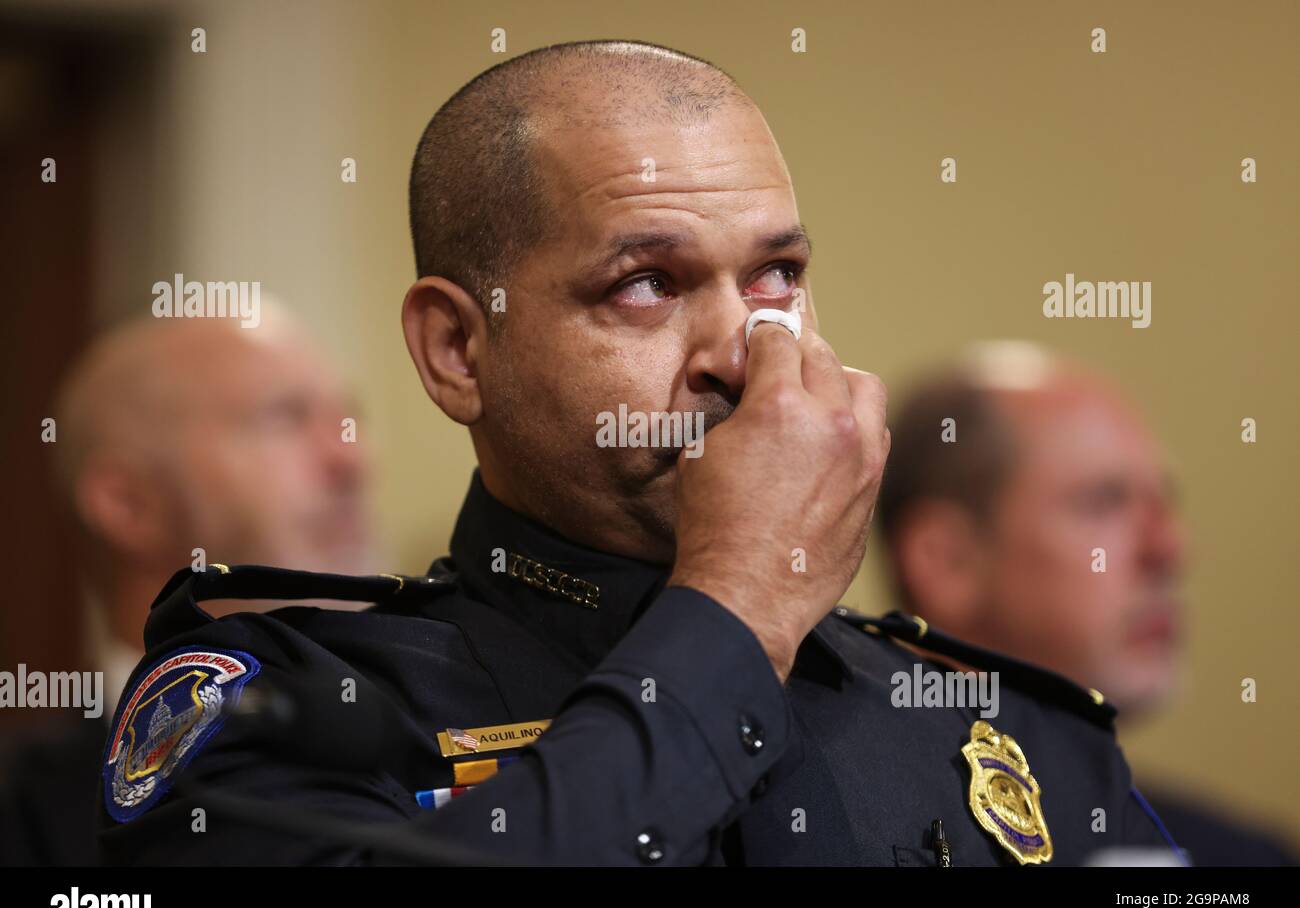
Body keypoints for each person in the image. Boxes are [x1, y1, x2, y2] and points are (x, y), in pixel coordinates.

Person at [100, 40, 1177, 866]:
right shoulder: (283, 709)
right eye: (646, 285)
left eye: (777, 279)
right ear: (457, 349)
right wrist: (742, 605)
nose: (738, 351)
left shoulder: (1006, 727)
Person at [877, 340, 1295, 865]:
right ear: (948, 559)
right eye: (1104, 502)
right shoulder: (825, 828)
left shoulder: (1237, 861)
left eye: (1164, 501)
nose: (1168, 549)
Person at [0, 311, 376, 865]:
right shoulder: (18, 815)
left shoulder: (467, 739)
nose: (351, 459)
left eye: (348, 418)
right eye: (283, 418)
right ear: (130, 505)